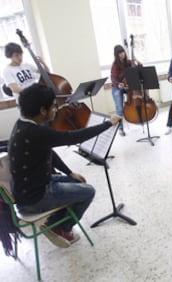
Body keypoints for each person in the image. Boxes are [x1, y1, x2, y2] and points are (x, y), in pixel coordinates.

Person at [8, 83, 121, 248]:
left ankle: (55, 223)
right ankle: (60, 227)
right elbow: (72, 137)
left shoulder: (22, 124)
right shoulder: (35, 132)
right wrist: (108, 124)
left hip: (29, 187)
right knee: (89, 191)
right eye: (53, 106)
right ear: (42, 110)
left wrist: (69, 172)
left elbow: (47, 150)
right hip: (34, 197)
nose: (56, 109)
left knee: (77, 182)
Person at [110, 44, 137, 136]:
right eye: (119, 53)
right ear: (116, 55)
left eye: (123, 52)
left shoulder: (128, 62)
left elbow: (137, 70)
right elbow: (113, 80)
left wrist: (137, 61)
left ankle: (138, 118)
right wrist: (119, 84)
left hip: (126, 86)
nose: (122, 54)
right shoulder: (114, 65)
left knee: (135, 97)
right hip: (117, 87)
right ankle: (120, 128)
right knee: (119, 108)